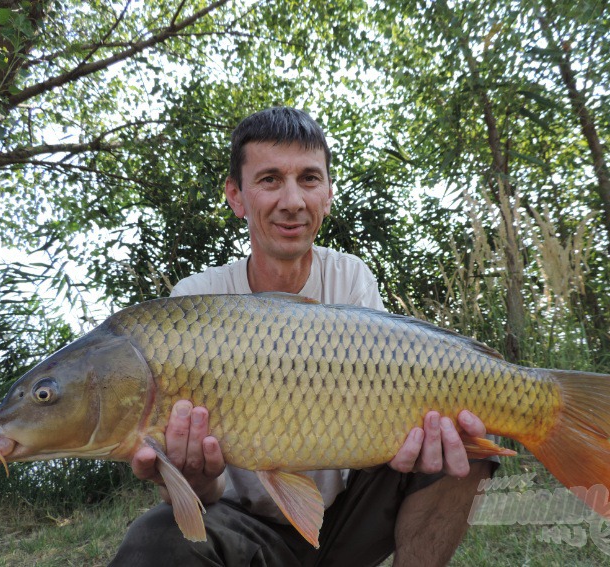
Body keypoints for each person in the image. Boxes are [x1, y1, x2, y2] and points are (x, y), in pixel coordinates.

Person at [110, 107, 495, 566]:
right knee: (155, 538)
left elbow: (383, 421)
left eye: (309, 179)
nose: (292, 200)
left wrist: (417, 437)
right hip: (243, 526)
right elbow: (203, 493)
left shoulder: (350, 279)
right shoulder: (195, 301)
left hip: (347, 515)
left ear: (328, 193)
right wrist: (191, 478)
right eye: (270, 179)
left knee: (468, 435)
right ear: (236, 196)